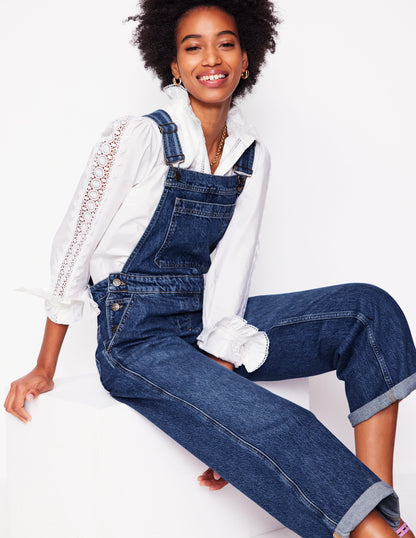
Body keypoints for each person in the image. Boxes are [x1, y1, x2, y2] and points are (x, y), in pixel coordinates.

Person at [4, 1, 416, 536]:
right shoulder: (139, 137)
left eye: (225, 43)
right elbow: (73, 246)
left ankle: (388, 516)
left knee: (366, 310)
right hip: (136, 339)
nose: (211, 59)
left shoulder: (250, 155)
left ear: (245, 59)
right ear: (174, 66)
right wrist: (44, 365)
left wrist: (221, 406)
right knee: (284, 422)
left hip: (204, 323)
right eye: (193, 47)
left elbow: (232, 267)